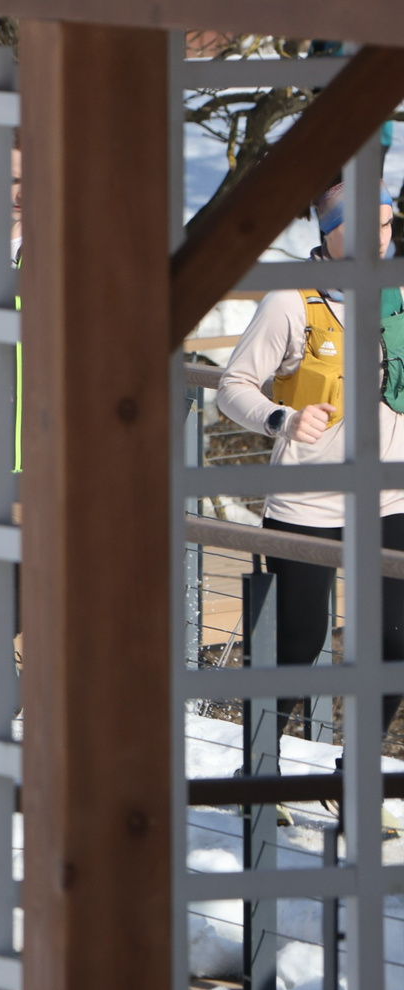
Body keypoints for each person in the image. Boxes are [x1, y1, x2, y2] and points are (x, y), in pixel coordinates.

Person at [216, 180, 404, 733]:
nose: (380, 237)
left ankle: (357, 780)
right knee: (299, 646)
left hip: (390, 497)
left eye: (388, 223)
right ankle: (258, 772)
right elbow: (234, 385)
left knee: (396, 646)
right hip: (309, 503)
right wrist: (284, 419)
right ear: (329, 230)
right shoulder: (291, 300)